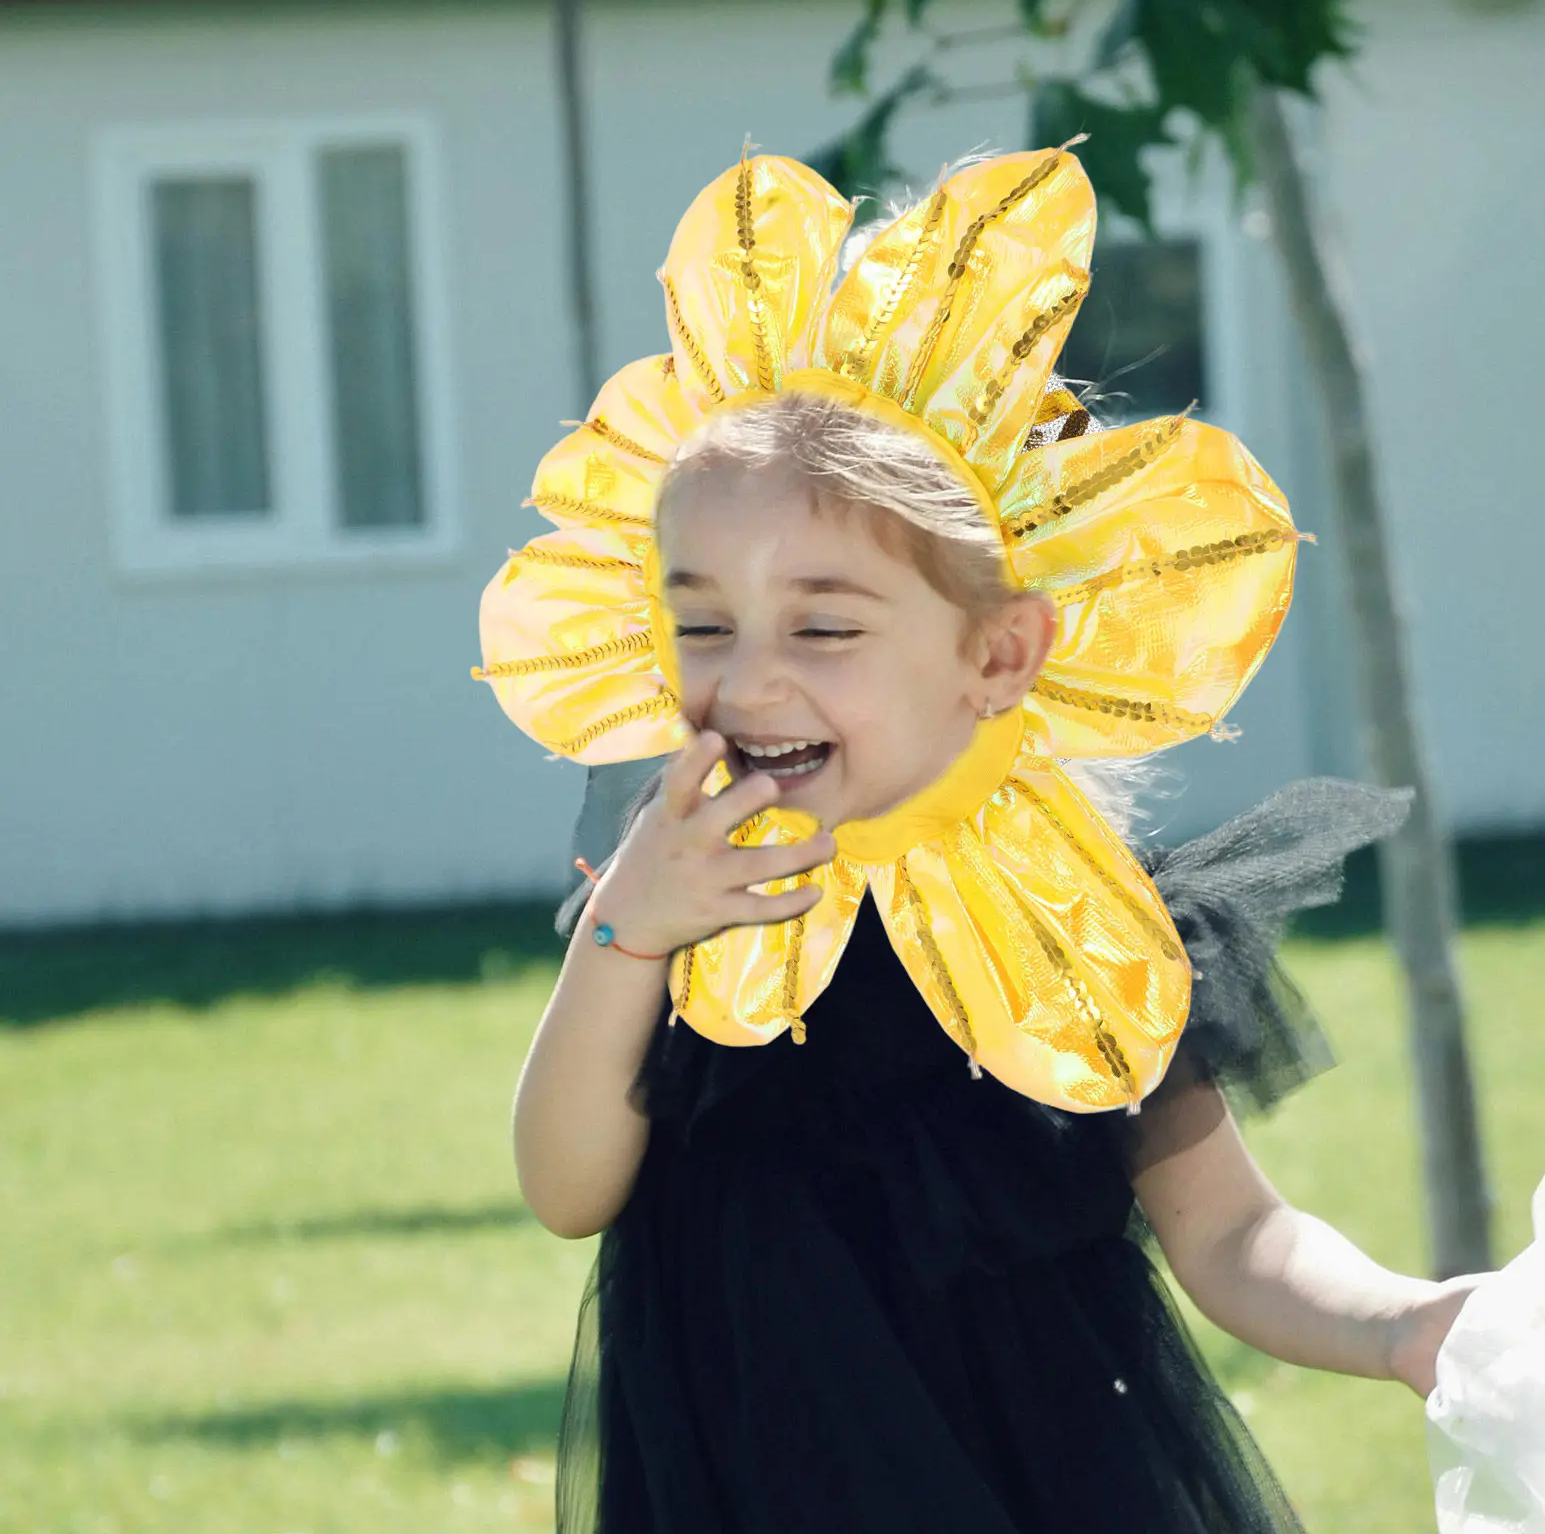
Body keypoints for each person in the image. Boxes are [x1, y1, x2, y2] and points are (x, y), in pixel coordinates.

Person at [475, 147, 1488, 1532]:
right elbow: (566, 1187)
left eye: (824, 627)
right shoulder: (687, 907)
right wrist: (628, 935)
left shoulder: (1067, 931)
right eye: (703, 623)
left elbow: (1232, 1231)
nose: (750, 677)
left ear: (1000, 653)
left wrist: (1400, 1326)